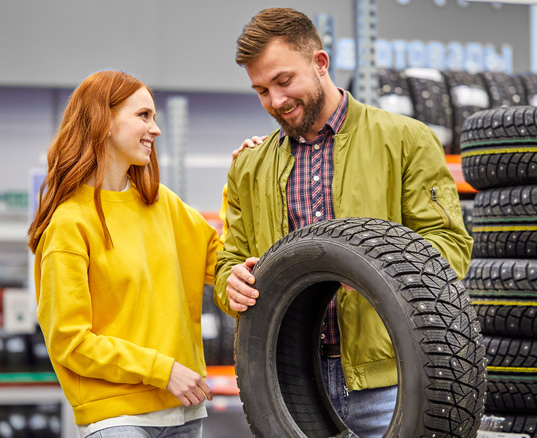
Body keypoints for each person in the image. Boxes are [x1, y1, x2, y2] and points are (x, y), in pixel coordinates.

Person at [214, 8, 473, 437]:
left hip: (390, 381)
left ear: (320, 63)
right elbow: (231, 261)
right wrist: (232, 283)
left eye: (283, 81)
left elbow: (449, 246)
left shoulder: (405, 140)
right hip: (286, 383)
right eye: (261, 90)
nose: (275, 101)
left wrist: (383, 270)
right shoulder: (249, 167)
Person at [27, 70, 222, 438]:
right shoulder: (71, 224)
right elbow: (71, 342)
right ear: (104, 122)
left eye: (155, 117)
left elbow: (226, 266)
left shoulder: (163, 205)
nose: (156, 129)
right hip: (118, 419)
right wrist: (162, 370)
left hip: (183, 412)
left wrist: (244, 180)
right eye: (143, 116)